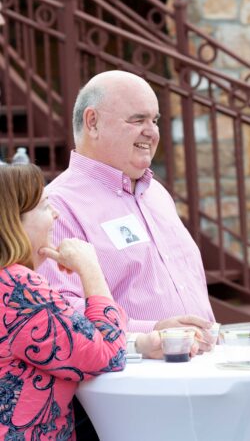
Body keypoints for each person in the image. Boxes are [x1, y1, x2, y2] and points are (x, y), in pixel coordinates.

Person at [37, 70, 215, 358]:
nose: (152, 131)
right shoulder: (58, 206)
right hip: (129, 384)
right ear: (92, 123)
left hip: (199, 368)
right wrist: (153, 332)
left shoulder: (156, 193)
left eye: (155, 120)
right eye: (137, 120)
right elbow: (62, 315)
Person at [0, 164, 127, 440]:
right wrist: (90, 268)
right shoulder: (18, 288)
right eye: (45, 206)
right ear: (14, 219)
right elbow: (108, 353)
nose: (55, 214)